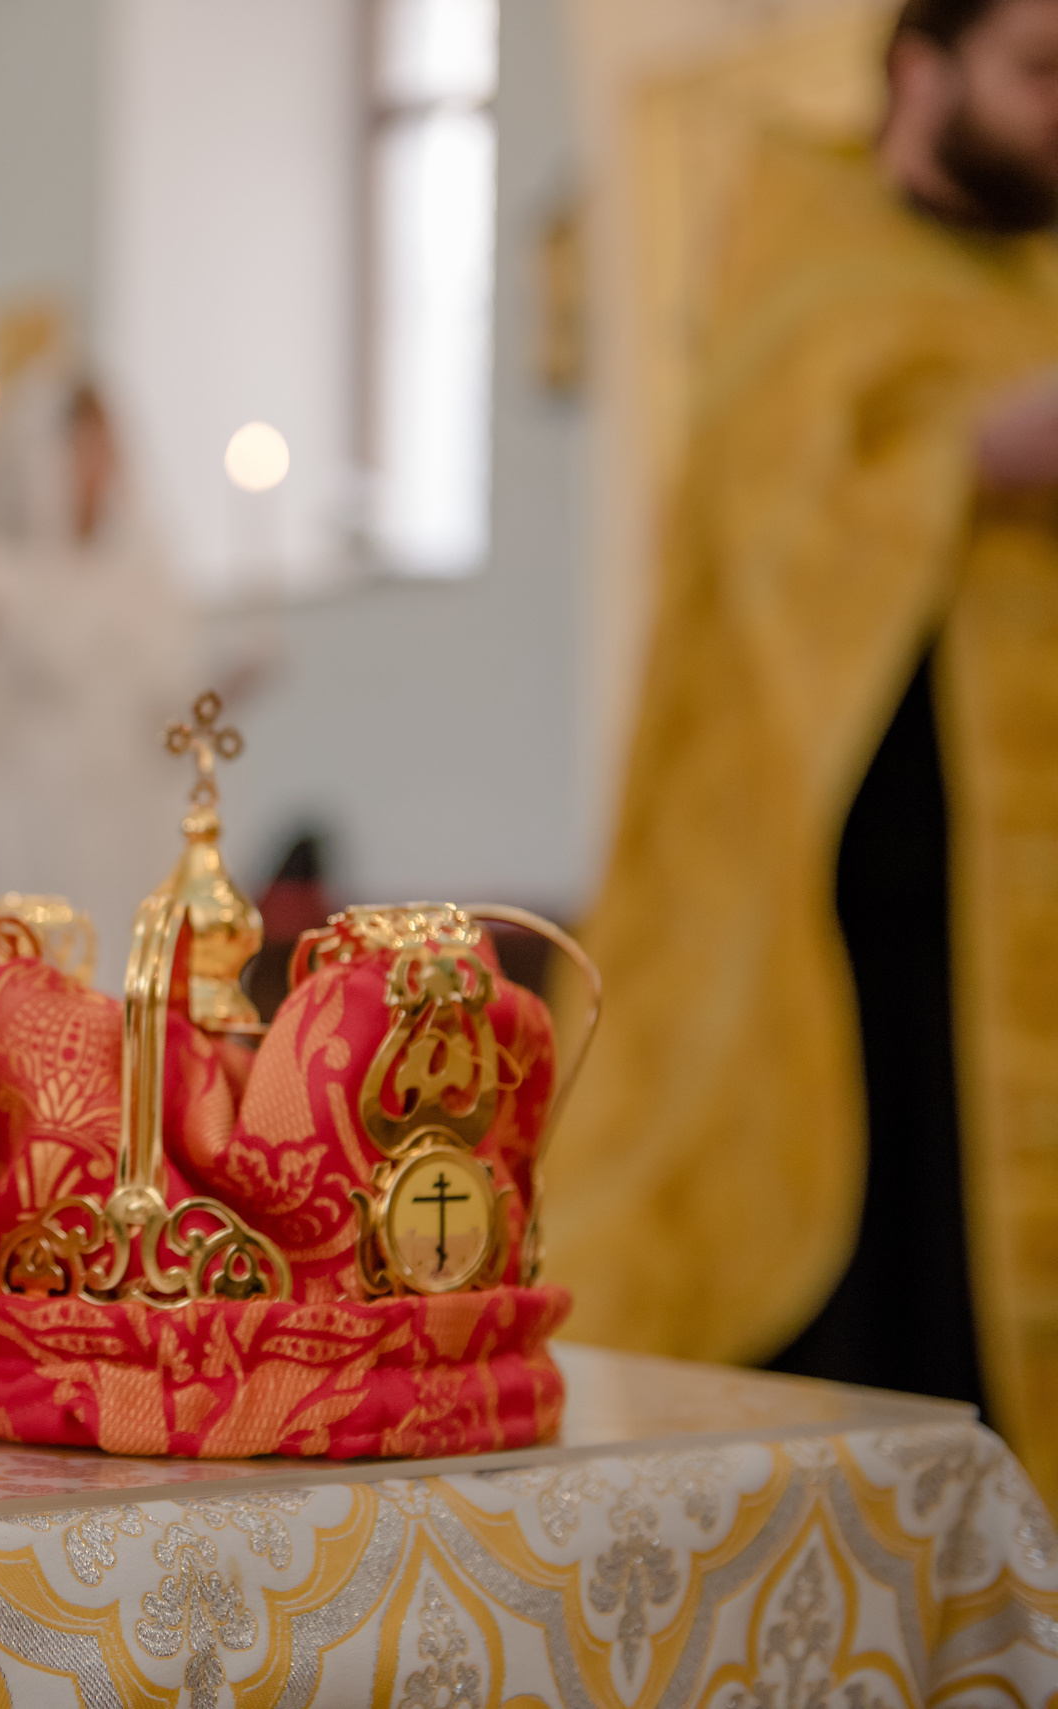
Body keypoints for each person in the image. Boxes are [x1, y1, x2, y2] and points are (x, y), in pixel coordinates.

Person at [545, 0, 1058, 1497]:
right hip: (849, 873)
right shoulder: (802, 233)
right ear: (920, 69)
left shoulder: (1031, 279)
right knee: (873, 1266)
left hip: (1021, 892)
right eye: (1036, 73)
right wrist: (971, 452)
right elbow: (771, 510)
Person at [0, 357, 197, 984]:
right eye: (85, 445)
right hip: (26, 827)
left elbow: (171, 703)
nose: (103, 463)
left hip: (123, 827)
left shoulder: (140, 577)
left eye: (108, 444)